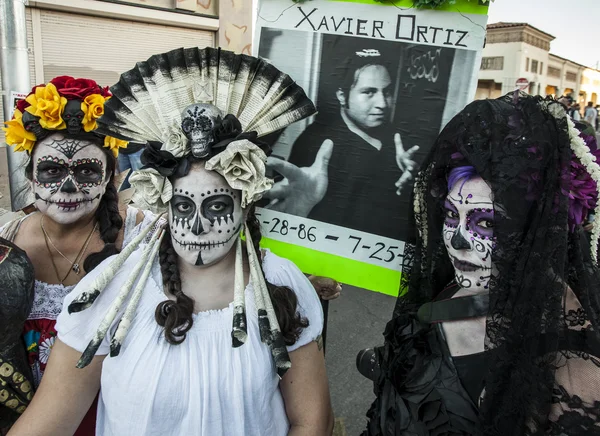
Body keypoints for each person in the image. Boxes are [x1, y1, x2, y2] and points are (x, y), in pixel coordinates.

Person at [8, 47, 333, 436]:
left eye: (215, 206)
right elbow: (48, 424)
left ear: (245, 203)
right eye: (182, 205)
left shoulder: (281, 283)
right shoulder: (111, 289)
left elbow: (311, 421)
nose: (196, 226)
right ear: (164, 202)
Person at [362, 92, 600, 435]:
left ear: (538, 228)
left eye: (485, 222)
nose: (456, 241)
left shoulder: (577, 362)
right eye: (450, 215)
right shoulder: (452, 292)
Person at [0, 76, 156, 435]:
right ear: (31, 175)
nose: (68, 187)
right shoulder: (6, 245)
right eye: (52, 170)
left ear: (109, 178)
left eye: (86, 171)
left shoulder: (147, 238)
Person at [264, 48, 419, 240]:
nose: (383, 103)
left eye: (386, 92)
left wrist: (414, 183)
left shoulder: (400, 141)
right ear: (342, 95)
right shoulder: (315, 142)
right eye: (369, 92)